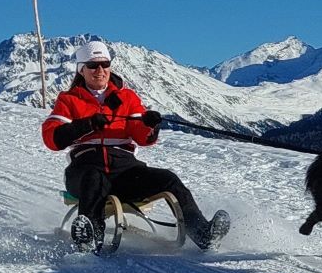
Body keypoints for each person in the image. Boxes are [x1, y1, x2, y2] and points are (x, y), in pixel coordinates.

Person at [43, 39, 231, 252]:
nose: (100, 70)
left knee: (168, 178)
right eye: (93, 66)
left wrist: (149, 124)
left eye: (105, 64)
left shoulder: (126, 97)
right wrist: (86, 125)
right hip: (85, 170)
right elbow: (52, 138)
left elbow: (143, 138)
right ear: (81, 70)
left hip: (125, 170)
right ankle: (89, 238)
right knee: (92, 179)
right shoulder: (69, 99)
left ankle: (202, 233)